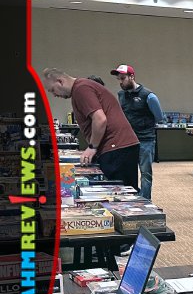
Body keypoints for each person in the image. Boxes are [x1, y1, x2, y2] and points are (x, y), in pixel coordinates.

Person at [42, 68, 140, 188]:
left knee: (122, 193)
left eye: (53, 90)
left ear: (60, 81)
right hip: (116, 147)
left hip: (116, 147)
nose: (54, 95)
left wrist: (92, 147)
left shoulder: (81, 89)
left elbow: (100, 119)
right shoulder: (80, 88)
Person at [111, 64, 163, 199]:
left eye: (123, 78)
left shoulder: (148, 96)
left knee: (145, 173)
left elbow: (159, 117)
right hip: (128, 140)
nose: (121, 82)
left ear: (132, 76)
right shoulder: (121, 95)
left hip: (145, 140)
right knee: (127, 172)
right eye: (119, 79)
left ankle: (145, 201)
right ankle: (132, 199)